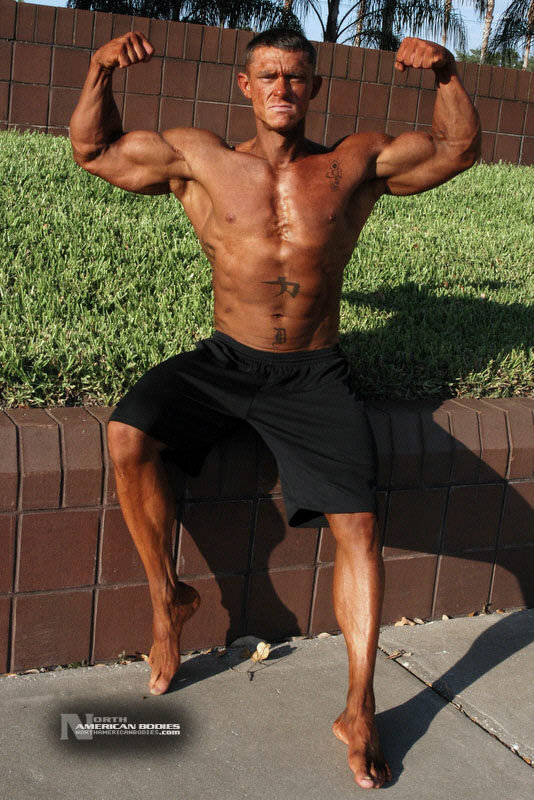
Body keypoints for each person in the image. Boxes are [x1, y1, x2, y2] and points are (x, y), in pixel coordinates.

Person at [69, 27, 480, 789]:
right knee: (127, 434)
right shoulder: (201, 158)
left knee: (359, 526)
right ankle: (168, 602)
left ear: (314, 87)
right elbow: (94, 151)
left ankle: (359, 707)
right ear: (245, 86)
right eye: (268, 76)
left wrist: (446, 74)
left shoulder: (352, 162)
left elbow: (456, 150)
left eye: (295, 76)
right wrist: (99, 70)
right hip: (226, 360)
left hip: (313, 373)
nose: (282, 88)